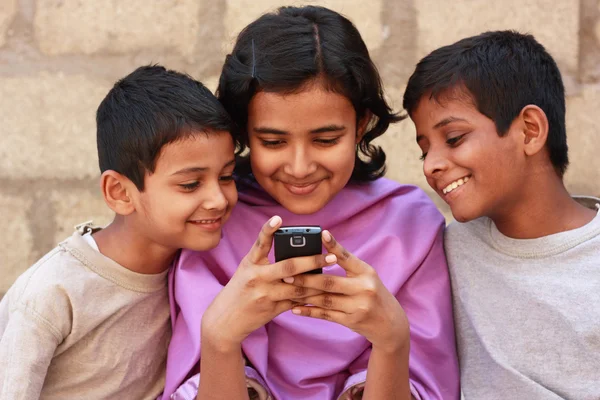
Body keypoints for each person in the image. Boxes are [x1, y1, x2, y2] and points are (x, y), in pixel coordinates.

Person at [164, 6, 459, 400]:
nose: (300, 168)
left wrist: (391, 340)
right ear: (244, 132)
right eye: (273, 142)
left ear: (362, 124)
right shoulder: (215, 221)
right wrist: (219, 339)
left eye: (325, 140)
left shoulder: (410, 226)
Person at [0, 65, 238, 399]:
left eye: (227, 176)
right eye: (190, 184)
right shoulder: (52, 295)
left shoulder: (195, 273)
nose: (217, 199)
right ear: (120, 193)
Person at [403, 30, 600, 399]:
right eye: (424, 150)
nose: (431, 166)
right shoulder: (447, 250)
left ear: (529, 131)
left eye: (455, 138)